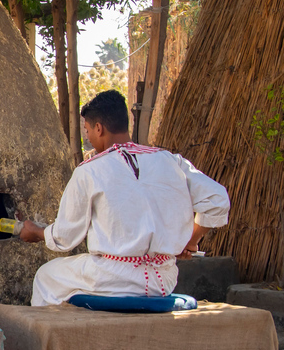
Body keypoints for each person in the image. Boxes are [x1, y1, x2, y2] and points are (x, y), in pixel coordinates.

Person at [20, 90, 230, 306]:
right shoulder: (170, 161)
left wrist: (36, 232)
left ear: (99, 128)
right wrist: (191, 240)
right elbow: (218, 200)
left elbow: (65, 237)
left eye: (88, 130)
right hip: (163, 280)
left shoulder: (90, 171)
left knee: (46, 276)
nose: (89, 137)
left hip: (113, 278)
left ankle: (59, 338)